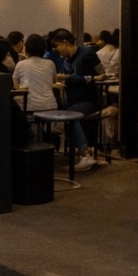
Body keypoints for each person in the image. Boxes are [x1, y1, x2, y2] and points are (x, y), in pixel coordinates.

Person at [52, 29, 101, 171]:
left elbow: (102, 75)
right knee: (59, 114)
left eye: (57, 46)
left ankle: (85, 155)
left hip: (87, 100)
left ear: (65, 43)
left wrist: (75, 78)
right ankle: (82, 152)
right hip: (72, 100)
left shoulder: (87, 54)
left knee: (70, 117)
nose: (57, 50)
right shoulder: (67, 60)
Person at [12, 33, 58, 112]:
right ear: (44, 48)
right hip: (50, 105)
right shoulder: (50, 63)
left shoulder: (21, 64)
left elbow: (16, 86)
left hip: (28, 106)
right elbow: (55, 82)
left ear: (26, 48)